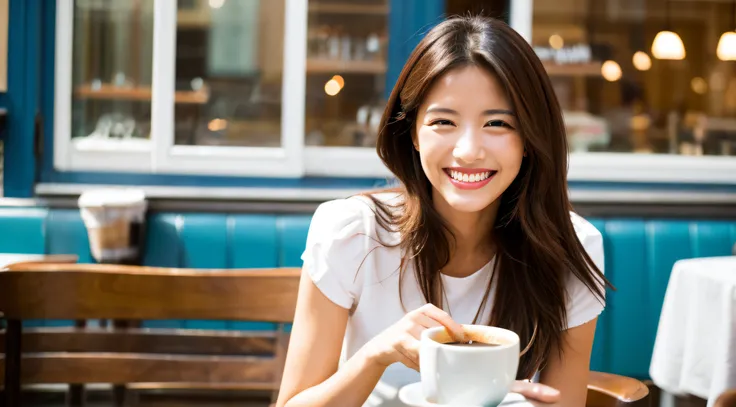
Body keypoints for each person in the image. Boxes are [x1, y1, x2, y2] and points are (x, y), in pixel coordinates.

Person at [276, 15, 609, 407]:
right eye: (443, 121)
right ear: (413, 132)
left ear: (530, 139)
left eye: (498, 123)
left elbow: (562, 401)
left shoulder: (571, 246)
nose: (468, 150)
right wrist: (375, 355)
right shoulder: (352, 232)